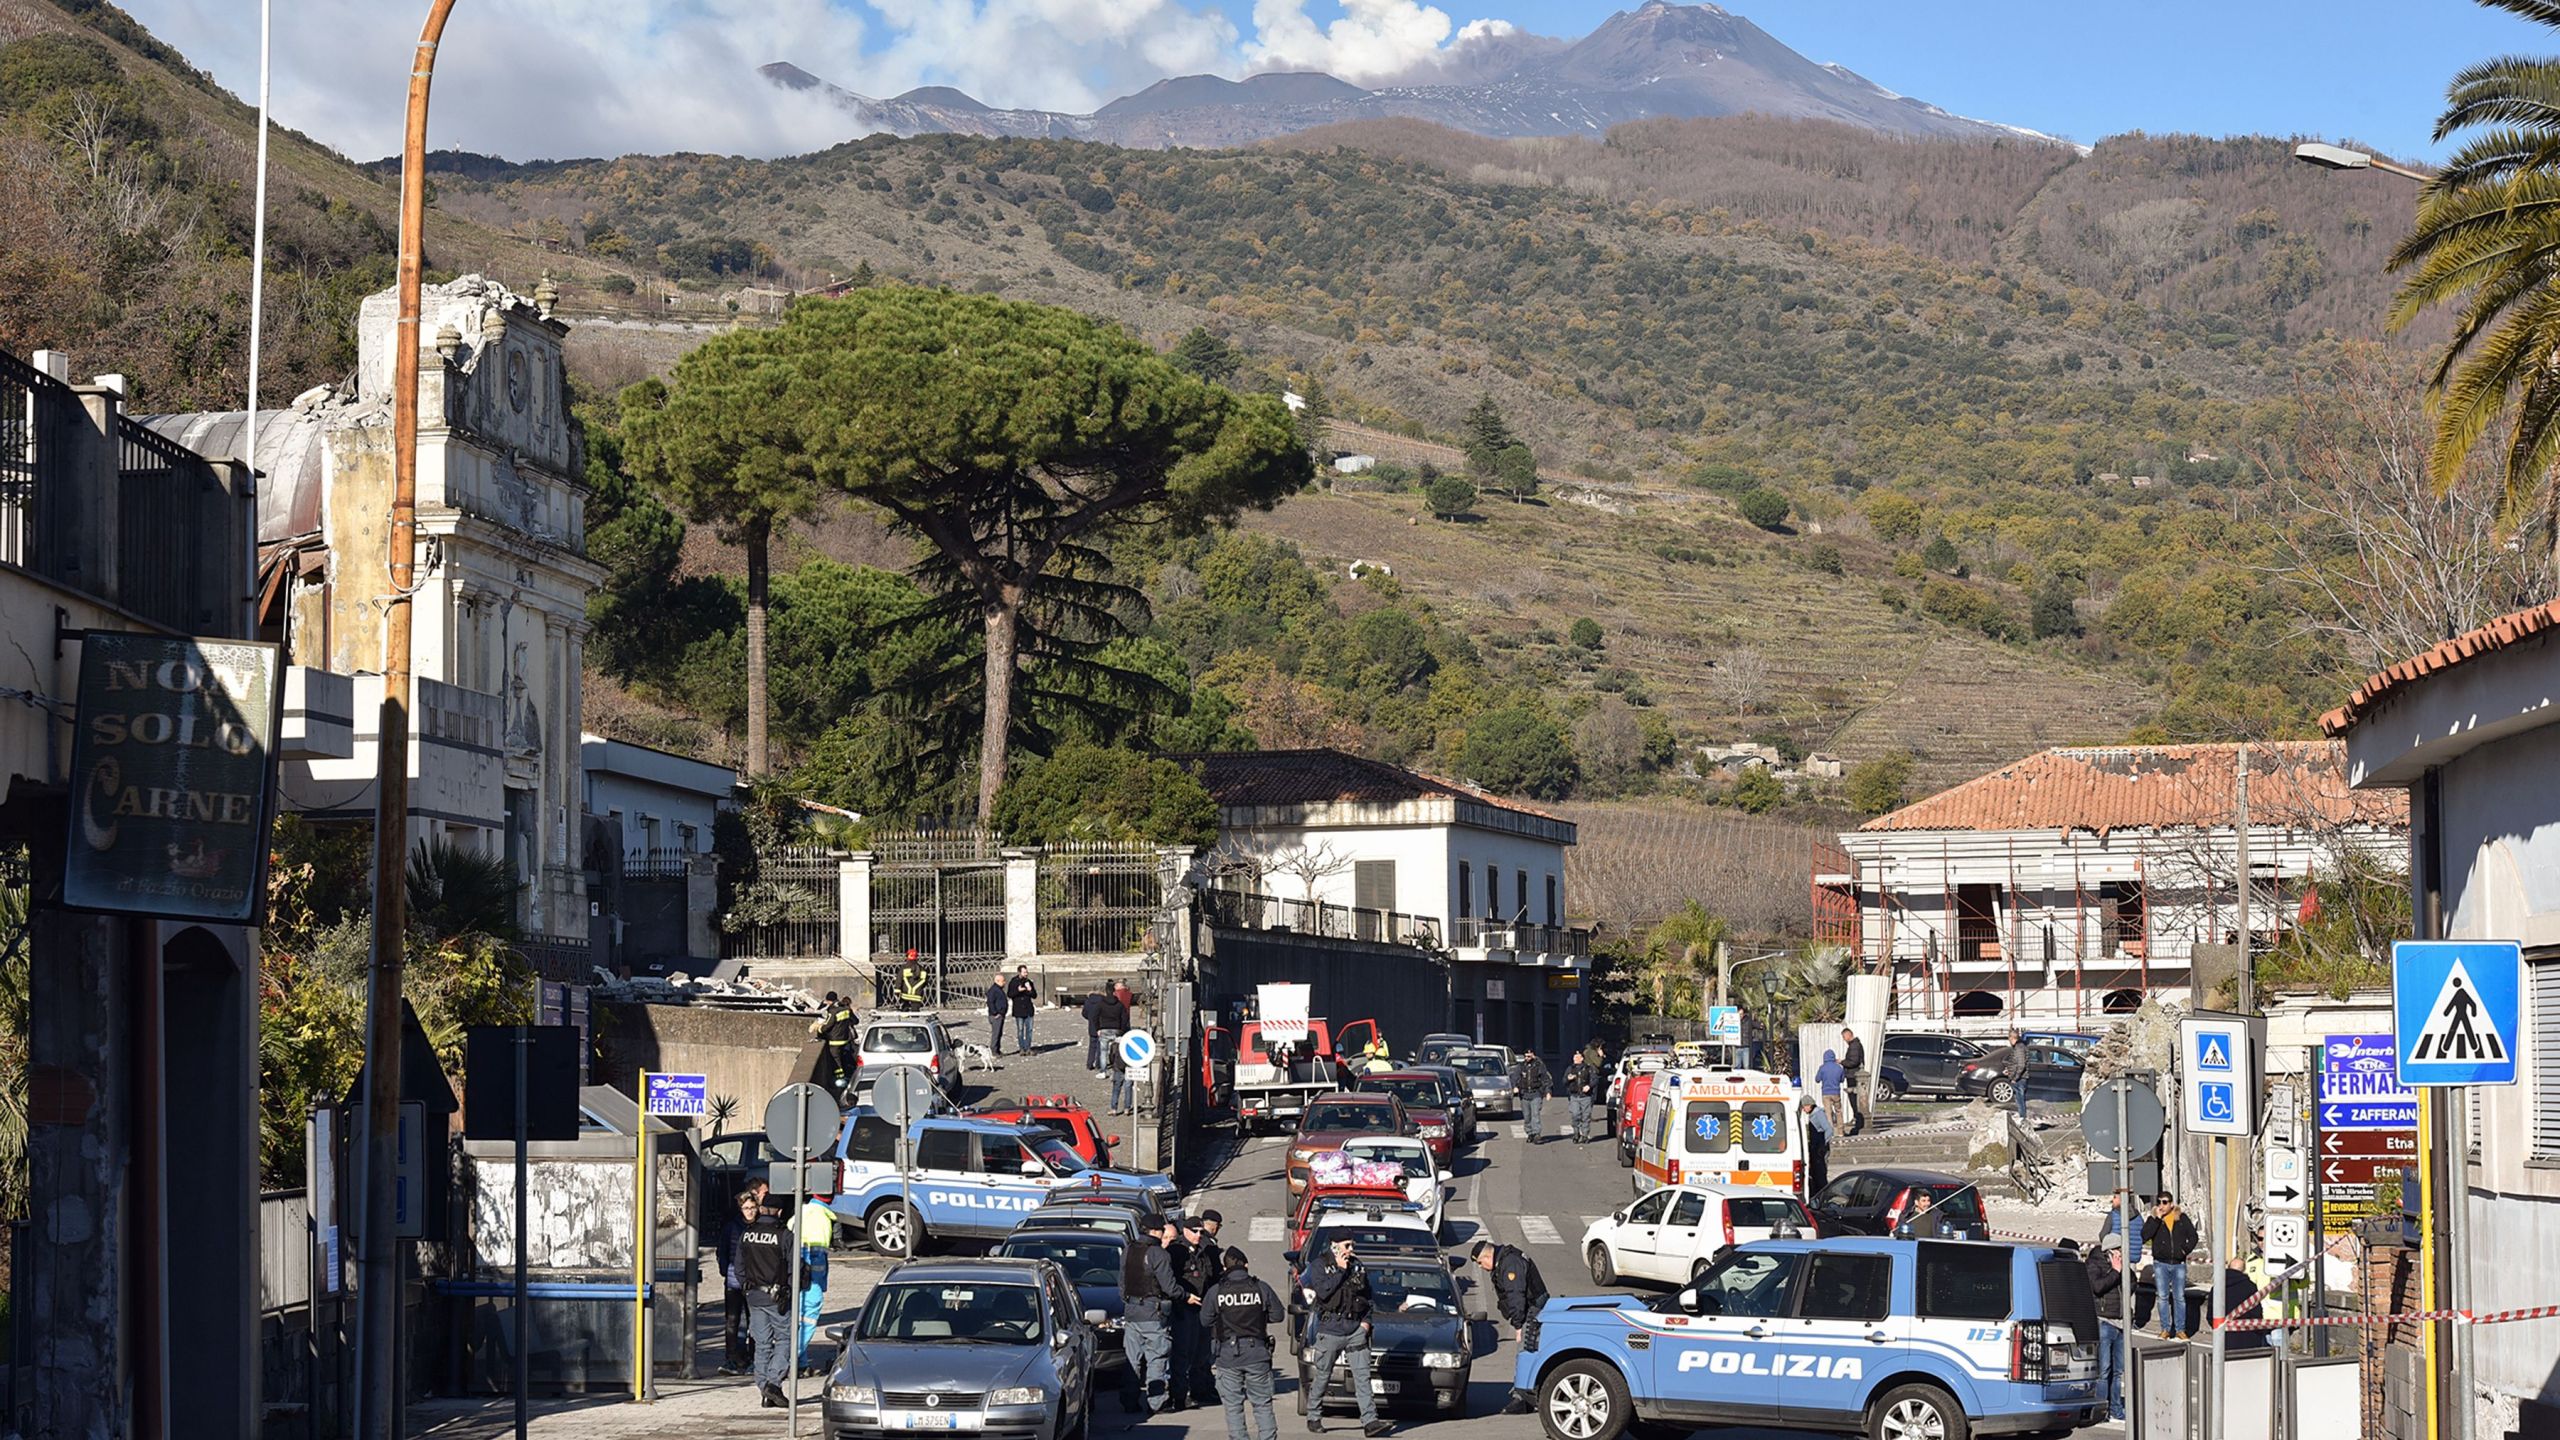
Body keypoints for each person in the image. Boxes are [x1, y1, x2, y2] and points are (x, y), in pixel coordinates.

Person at [1301, 1235, 1389, 1437]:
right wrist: (1340, 1269)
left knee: (1362, 1377)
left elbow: (1368, 1296)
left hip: (1355, 1329)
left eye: (1352, 1245)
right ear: (1334, 1246)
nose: (1350, 1249)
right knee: (1322, 1375)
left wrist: (1366, 1322)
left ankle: (1370, 1421)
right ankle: (1314, 1415)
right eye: (1347, 1245)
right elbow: (1323, 1292)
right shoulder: (1319, 1265)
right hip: (1331, 1328)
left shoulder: (1357, 1265)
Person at [1204, 1249, 1285, 1440]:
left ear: (1225, 1268)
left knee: (1233, 1406)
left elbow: (1205, 1320)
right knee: (1262, 1404)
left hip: (1227, 1355)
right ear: (1246, 1265)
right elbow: (1278, 1315)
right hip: (1257, 1353)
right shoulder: (1261, 1288)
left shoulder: (1217, 1291)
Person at [734, 1188, 797, 1408]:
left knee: (761, 1344)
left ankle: (765, 1390)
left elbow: (739, 1267)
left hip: (754, 1297)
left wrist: (746, 1288)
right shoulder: (785, 1235)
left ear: (761, 1209)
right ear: (779, 1212)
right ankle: (773, 1383)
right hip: (777, 1297)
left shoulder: (747, 1234)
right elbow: (794, 1269)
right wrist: (790, 1289)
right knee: (785, 1340)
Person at [1123, 1215, 1183, 1414]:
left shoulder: (1129, 1249)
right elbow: (1170, 1287)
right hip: (1153, 1313)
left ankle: (1129, 1400)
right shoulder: (1159, 1254)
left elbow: (1121, 1283)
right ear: (1157, 1231)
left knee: (1132, 1360)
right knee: (1157, 1357)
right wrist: (1185, 1295)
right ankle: (1156, 1402)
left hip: (1132, 1312)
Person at [1180, 1212, 1226, 1404]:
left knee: (1202, 1351)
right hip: (1186, 1309)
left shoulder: (1202, 1249)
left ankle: (1202, 1389)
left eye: (1201, 1231)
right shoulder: (1181, 1251)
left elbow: (1210, 1275)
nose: (1199, 1235)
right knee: (1187, 1353)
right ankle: (1186, 1392)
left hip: (1202, 1306)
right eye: (1195, 1231)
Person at [2141, 1192, 2199, 1339]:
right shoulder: (2154, 1219)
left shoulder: (2181, 1218)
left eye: (2165, 1202)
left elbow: (2193, 1236)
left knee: (2179, 1297)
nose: (2162, 1205)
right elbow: (2144, 1236)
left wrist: (2184, 1250)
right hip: (2161, 1263)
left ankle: (2180, 1329)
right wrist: (2156, 1220)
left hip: (2178, 1264)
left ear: (2171, 1204)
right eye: (2159, 1202)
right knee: (2162, 1297)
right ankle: (2165, 1329)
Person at [717, 1187, 757, 1373]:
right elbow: (722, 1250)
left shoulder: (759, 1227)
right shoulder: (731, 1227)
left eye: (752, 1207)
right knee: (732, 1321)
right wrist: (725, 1270)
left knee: (754, 1322)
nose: (749, 1211)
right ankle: (732, 1357)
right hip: (734, 1282)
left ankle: (753, 1357)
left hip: (754, 1283)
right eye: (746, 1208)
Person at [2088, 1234, 2127, 1421]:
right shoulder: (2095, 1264)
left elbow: (2132, 1284)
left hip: (2121, 1322)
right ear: (2110, 1251)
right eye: (2119, 1250)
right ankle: (2101, 1410)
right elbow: (2097, 1287)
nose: (2122, 1253)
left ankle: (2116, 1408)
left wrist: (2123, 1272)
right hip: (2104, 1321)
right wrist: (2115, 1272)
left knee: (2118, 1371)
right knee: (2104, 1370)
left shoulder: (2122, 1265)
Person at [2220, 1252, 2271, 1352]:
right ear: (2244, 1270)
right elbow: (2256, 1312)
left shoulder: (2218, 1286)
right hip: (2249, 1338)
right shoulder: (2249, 1286)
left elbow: (2210, 1314)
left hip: (2224, 1338)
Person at [813, 993, 858, 1093]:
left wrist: (819, 1029)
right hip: (845, 1039)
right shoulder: (846, 1009)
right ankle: (846, 1078)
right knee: (844, 1059)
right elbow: (855, 1020)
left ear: (829, 1000)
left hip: (834, 1041)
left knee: (836, 1061)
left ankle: (840, 1082)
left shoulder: (833, 1010)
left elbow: (828, 1025)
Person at [1562, 1049, 1601, 1143]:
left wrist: (1589, 1086)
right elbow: (1564, 1081)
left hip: (1585, 1096)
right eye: (1574, 1057)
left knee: (1586, 1116)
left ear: (1582, 1058)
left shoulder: (1588, 1068)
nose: (1575, 1059)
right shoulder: (1570, 1068)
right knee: (1575, 1115)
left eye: (1577, 1057)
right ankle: (1576, 1133)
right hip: (1574, 1096)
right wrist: (1568, 1079)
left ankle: (1585, 1135)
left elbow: (1595, 1080)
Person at [1798, 1095, 1833, 1195]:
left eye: (1804, 1107)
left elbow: (1829, 1130)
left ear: (1809, 1105)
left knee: (1820, 1174)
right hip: (1815, 1147)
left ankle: (1823, 1194)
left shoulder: (1818, 1114)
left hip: (1820, 1149)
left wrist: (1822, 1145)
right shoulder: (1813, 1114)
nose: (1804, 1110)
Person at [1516, 1050, 1552, 1143]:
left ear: (1533, 1056)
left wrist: (1548, 1092)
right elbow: (1515, 1078)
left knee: (1535, 1114)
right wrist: (1515, 1087)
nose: (1527, 1058)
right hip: (1524, 1094)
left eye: (1529, 1056)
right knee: (1527, 1116)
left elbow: (1545, 1079)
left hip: (1536, 1093)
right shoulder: (1521, 1066)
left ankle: (1537, 1134)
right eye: (1526, 1056)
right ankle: (1530, 1133)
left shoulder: (1539, 1066)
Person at [1005, 965, 1040, 1055]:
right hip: (1019, 1010)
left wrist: (1030, 990)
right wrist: (1018, 990)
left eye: (1026, 972)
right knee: (1020, 1030)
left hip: (1028, 1010)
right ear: (1019, 972)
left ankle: (1028, 1048)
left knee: (1029, 1030)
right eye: (1024, 972)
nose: (1026, 974)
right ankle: (1022, 1048)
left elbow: (1034, 995)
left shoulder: (1029, 982)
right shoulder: (1014, 982)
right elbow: (1010, 994)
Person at [1838, 1028, 1866, 1134]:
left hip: (1853, 1075)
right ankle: (1857, 1119)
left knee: (1854, 1098)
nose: (1844, 1040)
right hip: (1853, 1074)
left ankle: (1858, 1119)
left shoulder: (1854, 1046)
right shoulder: (1855, 1045)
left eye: (1844, 1037)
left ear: (1849, 1035)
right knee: (1853, 1098)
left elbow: (1853, 1061)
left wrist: (1842, 1062)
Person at [1815, 1048, 1847, 1136]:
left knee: (1828, 1113)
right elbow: (1842, 1079)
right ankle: (1841, 1131)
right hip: (1836, 1092)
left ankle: (1831, 1132)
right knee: (1839, 1111)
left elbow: (1817, 1079)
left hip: (1825, 1093)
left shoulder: (1822, 1068)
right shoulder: (1839, 1068)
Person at [1083, 985, 1113, 1071]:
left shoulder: (1088, 1000)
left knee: (1092, 1045)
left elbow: (1084, 1013)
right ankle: (1098, 1064)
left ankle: (1089, 1063)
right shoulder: (1104, 1001)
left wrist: (1090, 1018)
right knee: (1101, 1046)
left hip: (1092, 1025)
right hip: (1102, 1025)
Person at [985, 976, 1009, 1055]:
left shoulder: (998, 989)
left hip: (1000, 1015)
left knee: (999, 1033)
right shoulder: (994, 990)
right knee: (996, 1033)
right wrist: (995, 1013)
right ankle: (993, 1050)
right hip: (996, 1016)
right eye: (1003, 981)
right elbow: (990, 1002)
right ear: (998, 981)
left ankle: (997, 1049)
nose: (1004, 982)